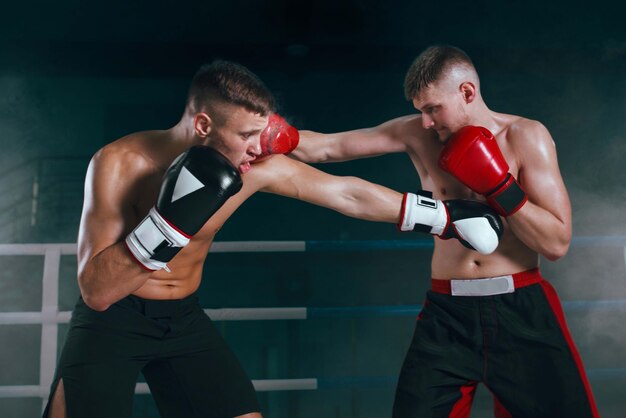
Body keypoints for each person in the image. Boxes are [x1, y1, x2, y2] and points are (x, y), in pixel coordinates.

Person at [43, 59, 503, 418]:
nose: (256, 148)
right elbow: (97, 291)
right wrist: (167, 225)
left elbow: (346, 194)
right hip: (112, 323)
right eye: (245, 135)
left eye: (259, 134)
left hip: (181, 319)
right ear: (203, 126)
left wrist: (443, 216)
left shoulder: (253, 166)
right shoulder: (119, 163)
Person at [291, 45, 599, 418]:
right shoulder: (417, 135)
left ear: (467, 92)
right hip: (448, 313)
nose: (425, 121)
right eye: (421, 110)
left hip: (521, 307)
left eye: (433, 108)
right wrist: (269, 134)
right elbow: (327, 148)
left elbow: (556, 243)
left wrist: (500, 186)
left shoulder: (525, 136)